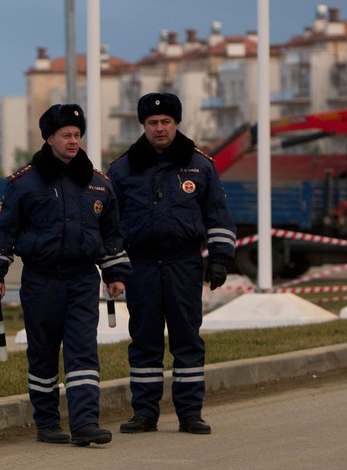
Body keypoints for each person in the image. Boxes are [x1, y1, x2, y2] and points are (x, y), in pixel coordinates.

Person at [0, 103, 131, 447]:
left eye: (78, 135)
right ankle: (47, 423)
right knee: (44, 353)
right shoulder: (24, 183)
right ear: (50, 138)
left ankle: (85, 424)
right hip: (41, 279)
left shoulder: (98, 184)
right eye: (66, 135)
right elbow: (4, 230)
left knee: (82, 351)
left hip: (81, 280)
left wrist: (115, 273)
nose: (73, 141)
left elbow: (111, 235)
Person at [106, 92, 237, 435]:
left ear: (176, 123)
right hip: (142, 266)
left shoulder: (200, 165)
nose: (159, 128)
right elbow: (110, 226)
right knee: (144, 339)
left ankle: (190, 413)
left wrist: (220, 260)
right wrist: (114, 268)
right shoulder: (122, 169)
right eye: (152, 123)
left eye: (166, 122)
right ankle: (145, 413)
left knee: (186, 338)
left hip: (184, 263)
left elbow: (218, 215)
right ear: (143, 125)